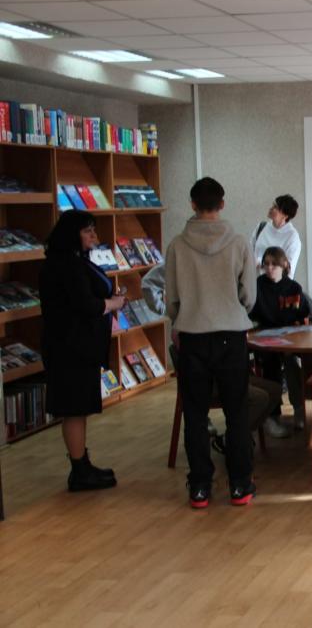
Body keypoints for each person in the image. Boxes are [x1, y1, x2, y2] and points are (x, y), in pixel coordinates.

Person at [166, 176, 257, 509]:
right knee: (237, 412)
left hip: (192, 336)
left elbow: (171, 298)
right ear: (222, 204)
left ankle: (200, 487)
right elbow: (249, 295)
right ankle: (240, 485)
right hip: (231, 336)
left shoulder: (177, 245)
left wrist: (185, 315)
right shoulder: (239, 243)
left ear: (192, 204)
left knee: (195, 413)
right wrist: (234, 310)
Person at [141, 263, 282, 452]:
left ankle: (234, 438)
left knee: (274, 390)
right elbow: (149, 283)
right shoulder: (187, 325)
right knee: (258, 397)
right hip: (213, 378)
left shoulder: (226, 261)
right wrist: (168, 310)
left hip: (227, 367)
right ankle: (233, 439)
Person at [39, 210, 126, 492]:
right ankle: (79, 470)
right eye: (88, 231)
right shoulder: (66, 265)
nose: (94, 236)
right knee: (74, 409)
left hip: (76, 347)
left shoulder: (71, 261)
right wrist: (114, 304)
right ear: (72, 233)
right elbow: (86, 305)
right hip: (70, 348)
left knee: (78, 408)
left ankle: (82, 464)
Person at [250, 246, 310, 436]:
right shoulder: (258, 285)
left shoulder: (293, 288)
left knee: (292, 363)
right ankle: (273, 414)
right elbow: (251, 313)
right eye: (266, 264)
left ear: (284, 265)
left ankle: (298, 409)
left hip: (291, 339)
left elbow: (302, 316)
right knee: (270, 367)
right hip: (266, 339)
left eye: (274, 264)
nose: (269, 268)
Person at [252, 194, 302, 278]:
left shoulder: (292, 237)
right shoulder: (261, 227)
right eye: (272, 205)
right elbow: (249, 250)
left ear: (285, 215)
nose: (271, 208)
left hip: (275, 284)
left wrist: (260, 262)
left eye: (275, 207)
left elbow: (288, 269)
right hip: (255, 281)